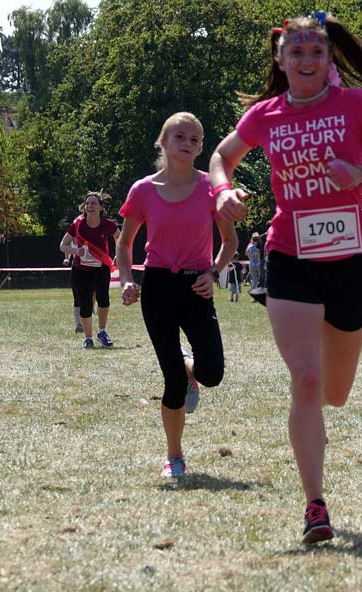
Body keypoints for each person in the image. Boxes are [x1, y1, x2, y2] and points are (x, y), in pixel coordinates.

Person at [209, 11, 362, 544]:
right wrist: (223, 191)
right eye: (296, 52)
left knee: (335, 392)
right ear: (281, 59)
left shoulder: (355, 104)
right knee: (305, 379)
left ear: (328, 60)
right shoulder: (265, 114)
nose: (306, 60)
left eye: (316, 52)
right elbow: (222, 157)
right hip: (290, 256)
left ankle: (315, 419)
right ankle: (315, 506)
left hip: (349, 260)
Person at [117, 111, 239, 482]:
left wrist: (213, 273)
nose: (187, 144)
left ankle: (191, 369)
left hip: (196, 285)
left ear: (201, 148)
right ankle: (174, 457)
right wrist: (127, 279)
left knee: (212, 373)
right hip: (158, 287)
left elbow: (230, 240)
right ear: (163, 142)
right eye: (180, 137)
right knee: (171, 381)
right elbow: (124, 243)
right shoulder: (143, 190)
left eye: (195, 139)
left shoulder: (211, 188)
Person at [59, 192, 120, 349]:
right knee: (85, 304)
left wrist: (117, 255)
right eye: (87, 203)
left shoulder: (107, 224)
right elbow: (63, 245)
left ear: (101, 207)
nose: (89, 206)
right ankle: (88, 338)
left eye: (93, 203)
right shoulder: (78, 224)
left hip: (101, 268)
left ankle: (102, 332)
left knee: (103, 298)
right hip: (81, 270)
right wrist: (75, 251)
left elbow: (120, 238)